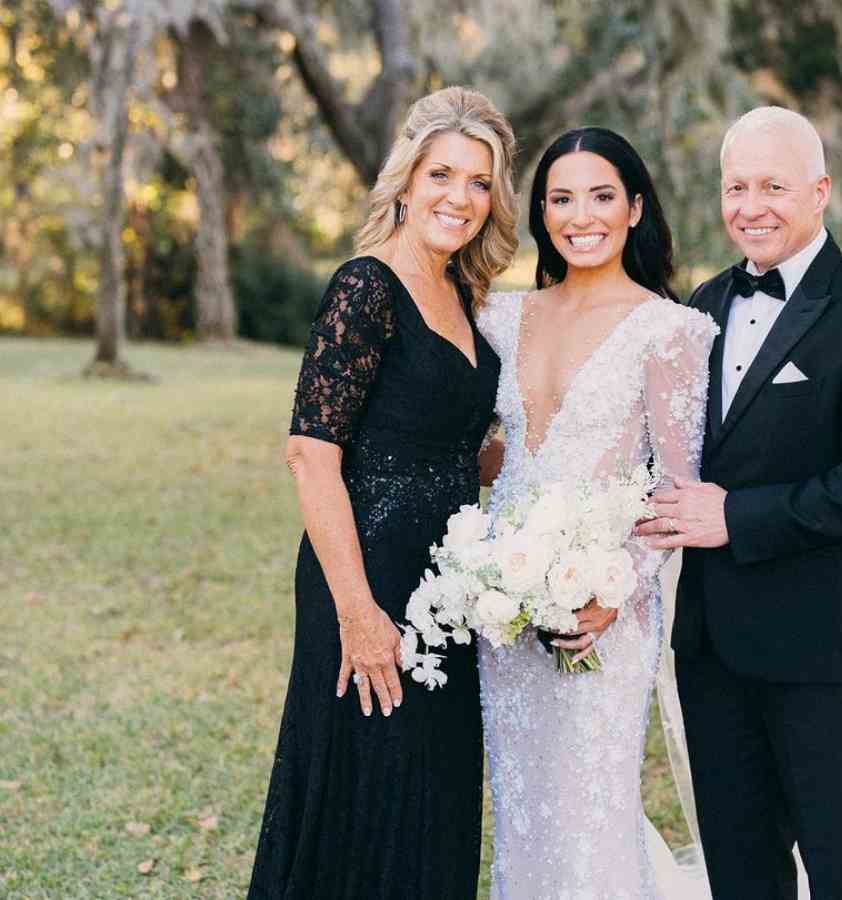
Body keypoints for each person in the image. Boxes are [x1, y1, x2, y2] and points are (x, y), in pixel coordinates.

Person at [638, 106, 842, 900]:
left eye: (773, 185)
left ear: (820, 191)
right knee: (738, 868)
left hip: (826, 642)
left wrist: (736, 516)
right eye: (736, 187)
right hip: (711, 644)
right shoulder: (698, 309)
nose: (751, 206)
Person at [246, 86, 518, 900]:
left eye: (479, 182)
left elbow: (436, 447)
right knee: (363, 797)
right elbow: (310, 455)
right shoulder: (367, 288)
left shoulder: (463, 295)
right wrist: (359, 616)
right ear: (406, 178)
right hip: (365, 585)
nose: (459, 198)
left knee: (430, 801)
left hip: (448, 587)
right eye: (443, 174)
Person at [475, 127, 718, 898]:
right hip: (503, 614)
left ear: (636, 207)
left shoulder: (668, 331)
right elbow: (490, 456)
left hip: (606, 616)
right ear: (541, 213)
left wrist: (615, 593)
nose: (581, 215)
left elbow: (678, 490)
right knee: (520, 808)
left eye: (602, 196)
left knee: (590, 812)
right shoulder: (499, 318)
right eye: (561, 198)